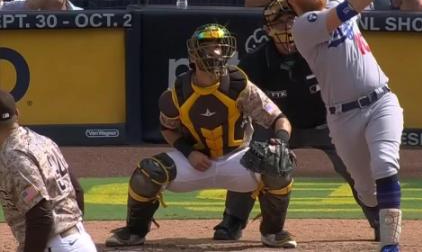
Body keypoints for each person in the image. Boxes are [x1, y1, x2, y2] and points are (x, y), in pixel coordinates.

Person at [105, 24, 298, 249]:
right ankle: (134, 232)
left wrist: (282, 142)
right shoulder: (177, 93)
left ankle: (273, 233)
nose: (215, 52)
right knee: (147, 173)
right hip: (194, 163)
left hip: (238, 160)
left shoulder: (240, 85)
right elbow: (168, 128)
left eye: (219, 46)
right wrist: (189, 152)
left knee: (277, 163)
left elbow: (279, 118)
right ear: (194, 55)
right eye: (208, 47)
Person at [212, 0, 380, 242]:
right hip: (275, 125)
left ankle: (377, 216)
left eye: (292, 20)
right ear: (267, 30)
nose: (288, 27)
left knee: (353, 164)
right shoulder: (256, 62)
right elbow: (243, 102)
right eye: (280, 23)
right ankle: (232, 221)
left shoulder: (323, 49)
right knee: (250, 160)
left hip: (326, 123)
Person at [282, 0, 417, 251]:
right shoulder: (303, 26)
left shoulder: (337, 5)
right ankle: (375, 208)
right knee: (367, 192)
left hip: (381, 101)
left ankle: (390, 245)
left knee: (384, 161)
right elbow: (348, 8)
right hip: (343, 118)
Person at [0, 89, 96, 252]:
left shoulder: (13, 156)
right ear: (17, 113)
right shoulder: (43, 142)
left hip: (55, 246)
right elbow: (77, 190)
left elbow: (40, 215)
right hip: (80, 241)